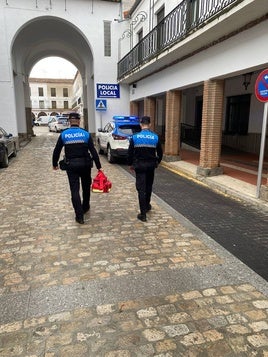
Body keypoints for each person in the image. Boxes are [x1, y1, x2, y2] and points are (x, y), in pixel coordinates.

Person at [52, 112, 102, 224]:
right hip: (85, 165)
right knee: (85, 187)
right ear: (79, 121)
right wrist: (99, 166)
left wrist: (54, 163)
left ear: (69, 121)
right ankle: (85, 206)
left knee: (74, 190)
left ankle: (79, 216)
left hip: (71, 166)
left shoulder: (64, 134)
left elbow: (57, 150)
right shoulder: (85, 134)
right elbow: (93, 151)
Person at [128, 116, 163, 222]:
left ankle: (143, 214)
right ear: (150, 124)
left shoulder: (134, 137)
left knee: (141, 189)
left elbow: (130, 153)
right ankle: (147, 205)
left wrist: (131, 164)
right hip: (151, 166)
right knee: (148, 187)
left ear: (140, 124)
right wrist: (157, 162)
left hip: (139, 166)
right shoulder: (155, 137)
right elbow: (160, 153)